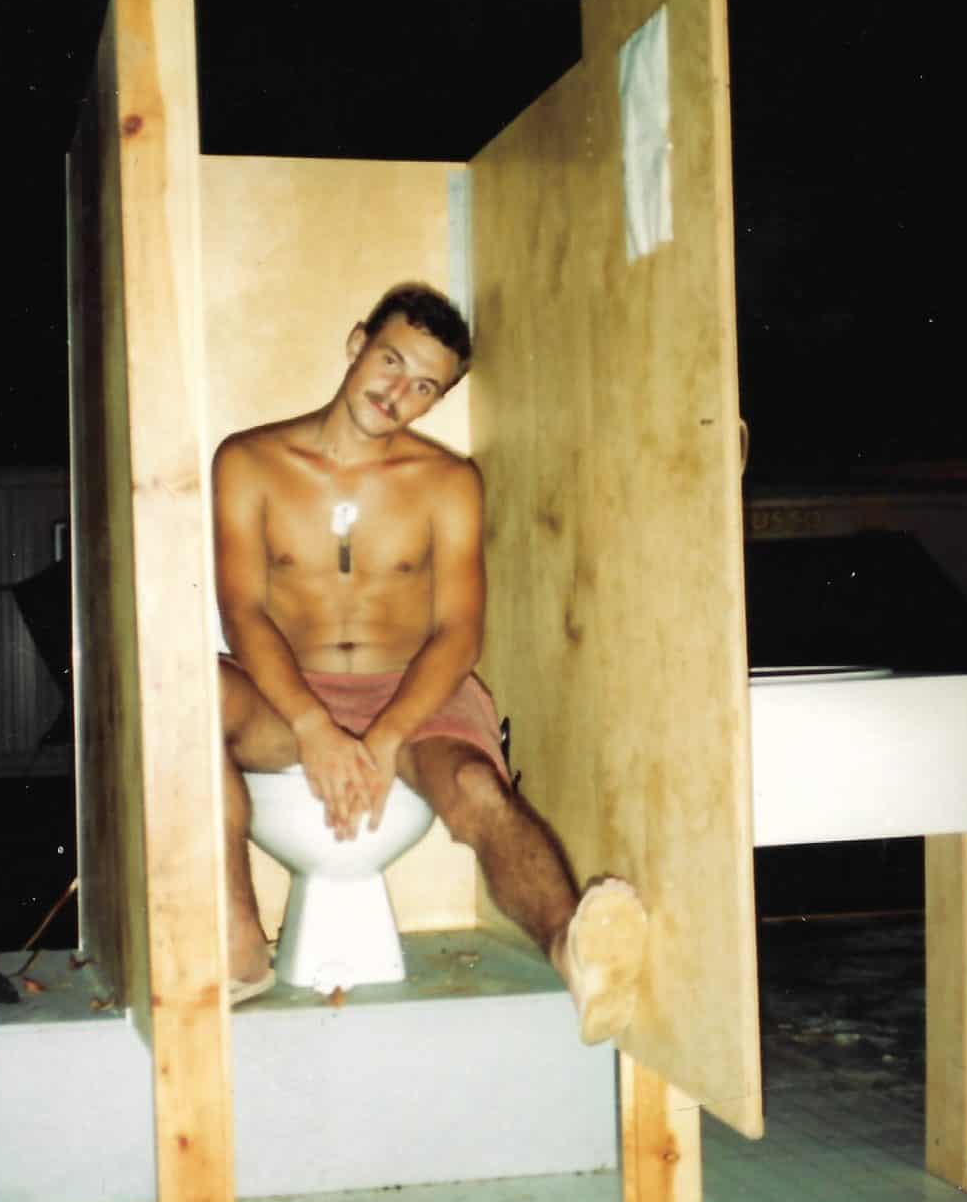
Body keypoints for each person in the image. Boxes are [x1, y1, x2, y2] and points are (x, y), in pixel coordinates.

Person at [213, 281, 646, 1043]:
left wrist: (384, 735)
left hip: (409, 692)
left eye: (424, 387)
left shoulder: (448, 483)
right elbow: (243, 611)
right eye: (391, 362)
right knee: (186, 694)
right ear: (357, 345)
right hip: (284, 692)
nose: (397, 393)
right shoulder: (248, 461)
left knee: (477, 787)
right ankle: (238, 942)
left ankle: (572, 953)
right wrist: (312, 725)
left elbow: (458, 632)